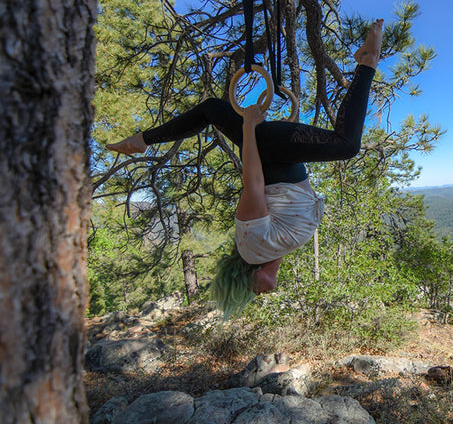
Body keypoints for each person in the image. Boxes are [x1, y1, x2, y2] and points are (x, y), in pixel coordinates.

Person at [108, 19, 383, 316]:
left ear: (246, 274)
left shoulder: (252, 246)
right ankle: (143, 140)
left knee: (346, 145)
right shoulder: (271, 251)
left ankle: (367, 62)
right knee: (211, 109)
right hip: (281, 155)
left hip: (267, 151)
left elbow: (252, 182)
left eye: (254, 290)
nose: (265, 292)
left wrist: (250, 128)